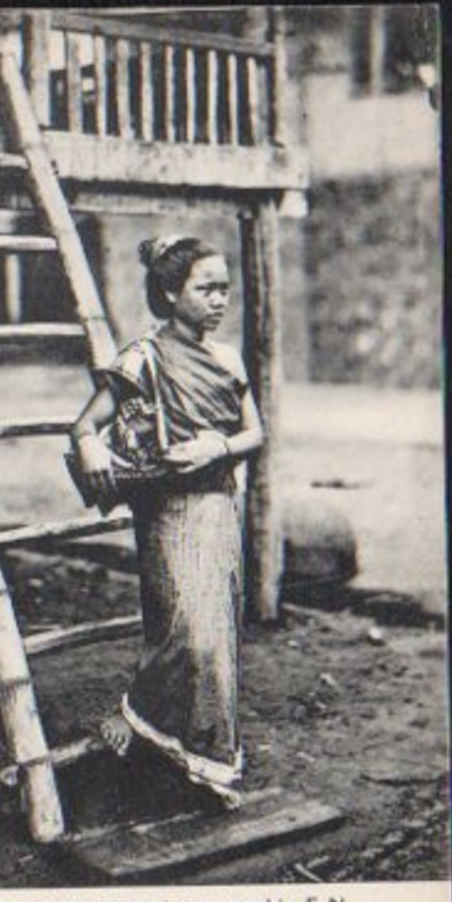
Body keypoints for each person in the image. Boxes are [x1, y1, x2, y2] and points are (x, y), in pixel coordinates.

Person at [71, 236, 264, 807]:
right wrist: (90, 449)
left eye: (224, 288)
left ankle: (207, 759)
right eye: (205, 288)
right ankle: (143, 720)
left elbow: (257, 433)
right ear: (169, 292)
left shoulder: (227, 359)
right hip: (166, 511)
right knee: (182, 632)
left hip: (216, 504)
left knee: (216, 638)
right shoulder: (142, 358)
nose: (218, 300)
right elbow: (85, 426)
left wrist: (218, 448)